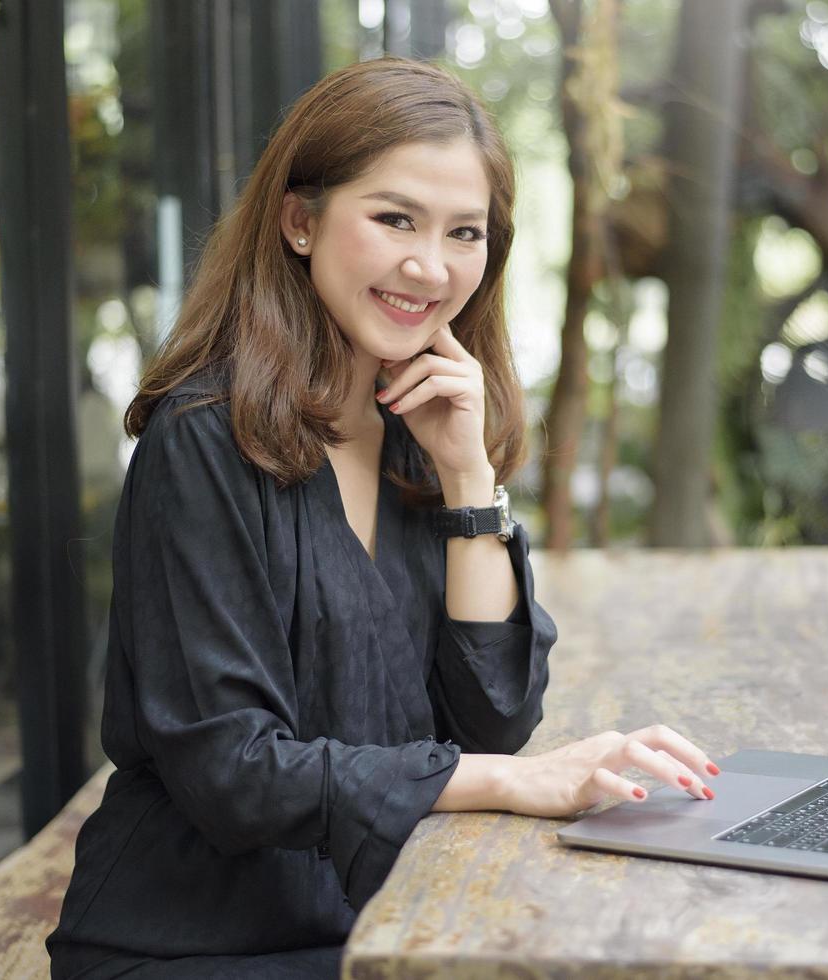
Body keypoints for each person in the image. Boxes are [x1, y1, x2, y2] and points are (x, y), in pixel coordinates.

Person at [46, 58, 720, 978]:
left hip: (390, 916)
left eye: (464, 233)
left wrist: (467, 478)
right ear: (298, 219)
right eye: (394, 218)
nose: (430, 266)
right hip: (193, 944)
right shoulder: (201, 441)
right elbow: (233, 773)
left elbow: (489, 723)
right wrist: (517, 784)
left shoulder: (421, 432)